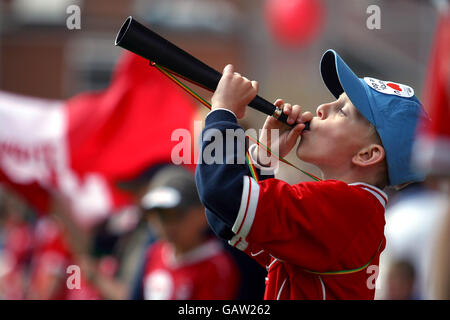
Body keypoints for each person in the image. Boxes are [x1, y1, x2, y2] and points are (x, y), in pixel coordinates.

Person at [195, 49, 429, 299]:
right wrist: (265, 157)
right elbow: (227, 221)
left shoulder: (347, 208)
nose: (321, 108)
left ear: (367, 155)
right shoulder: (350, 210)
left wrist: (222, 112)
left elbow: (222, 192)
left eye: (341, 111)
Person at [134, 165, 240, 300]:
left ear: (201, 214)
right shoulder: (154, 253)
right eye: (158, 215)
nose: (165, 225)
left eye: (175, 214)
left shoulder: (216, 266)